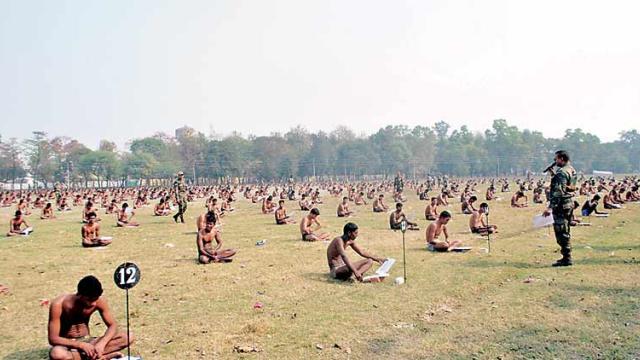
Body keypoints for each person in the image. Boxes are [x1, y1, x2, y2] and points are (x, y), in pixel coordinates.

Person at [48, 275, 132, 360]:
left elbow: (112, 325)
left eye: (95, 299)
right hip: (67, 344)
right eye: (89, 299)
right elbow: (53, 338)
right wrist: (81, 345)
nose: (93, 304)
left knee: (127, 337)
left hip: (89, 341)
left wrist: (101, 344)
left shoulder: (99, 301)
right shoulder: (58, 305)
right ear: (79, 294)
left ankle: (91, 355)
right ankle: (98, 356)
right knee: (57, 354)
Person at [542, 150, 577, 267]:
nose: (555, 161)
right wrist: (553, 175)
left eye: (556, 159)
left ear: (562, 158)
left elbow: (558, 192)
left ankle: (567, 258)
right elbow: (567, 186)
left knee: (561, 231)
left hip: (561, 206)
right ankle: (566, 256)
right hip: (569, 204)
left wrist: (550, 208)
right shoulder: (571, 169)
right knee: (565, 229)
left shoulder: (561, 172)